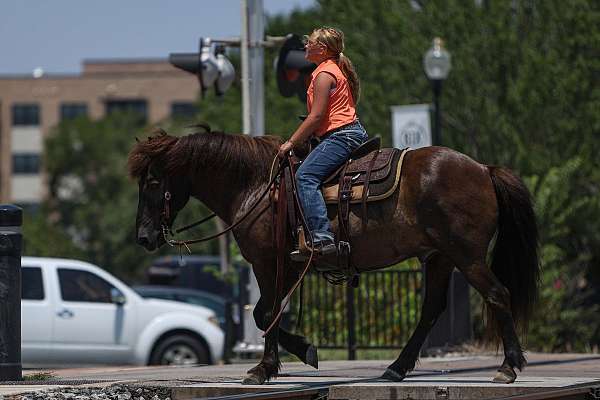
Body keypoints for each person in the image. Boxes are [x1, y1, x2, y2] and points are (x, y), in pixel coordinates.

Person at [278, 27, 368, 258]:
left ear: (323, 49)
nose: (306, 45)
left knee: (305, 177)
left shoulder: (324, 74)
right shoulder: (332, 70)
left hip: (341, 136)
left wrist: (291, 141)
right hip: (349, 133)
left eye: (311, 42)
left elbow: (316, 116)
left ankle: (322, 237)